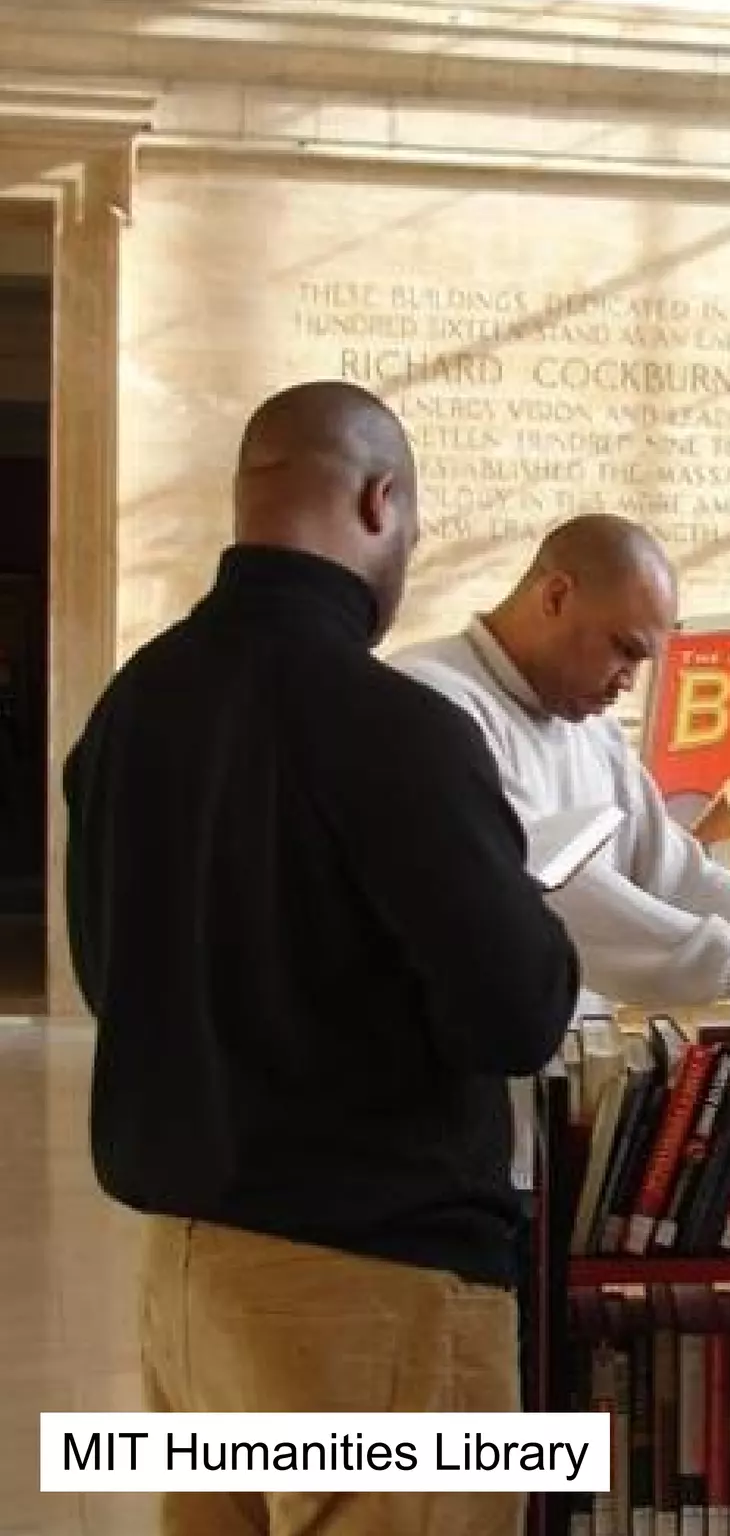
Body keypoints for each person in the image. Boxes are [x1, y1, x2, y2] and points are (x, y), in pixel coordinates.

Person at [64, 381, 582, 1536]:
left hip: (189, 1280)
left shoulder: (132, 706)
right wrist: (531, 916)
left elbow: (112, 977)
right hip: (370, 1292)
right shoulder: (391, 723)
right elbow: (514, 1016)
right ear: (379, 498)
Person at [390, 514, 730, 1032]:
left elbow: (678, 874)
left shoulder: (591, 728)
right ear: (556, 596)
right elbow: (538, 886)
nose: (628, 682)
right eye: (624, 650)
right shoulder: (429, 699)